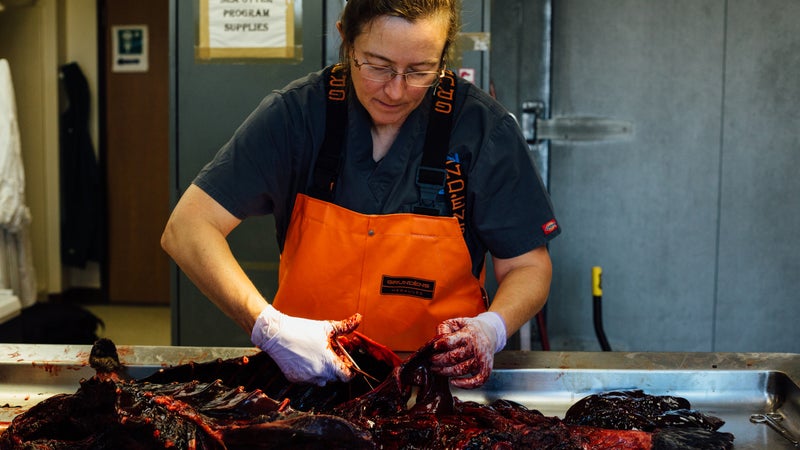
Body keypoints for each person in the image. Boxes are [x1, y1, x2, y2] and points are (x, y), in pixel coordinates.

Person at [161, 0, 560, 389]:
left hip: (436, 397)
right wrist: (269, 328)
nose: (396, 90)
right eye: (378, 66)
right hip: (307, 388)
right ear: (346, 40)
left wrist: (492, 328)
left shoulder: (481, 130)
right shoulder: (297, 117)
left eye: (420, 70)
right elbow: (188, 227)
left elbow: (528, 267)